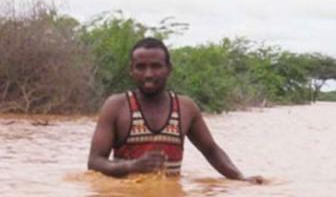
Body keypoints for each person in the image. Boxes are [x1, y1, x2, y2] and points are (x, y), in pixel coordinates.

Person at [87, 37, 263, 183]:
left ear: (168, 69)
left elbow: (211, 150)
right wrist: (132, 166)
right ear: (131, 71)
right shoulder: (116, 106)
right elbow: (94, 162)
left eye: (156, 66)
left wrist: (240, 178)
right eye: (140, 67)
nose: (148, 74)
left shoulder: (185, 108)